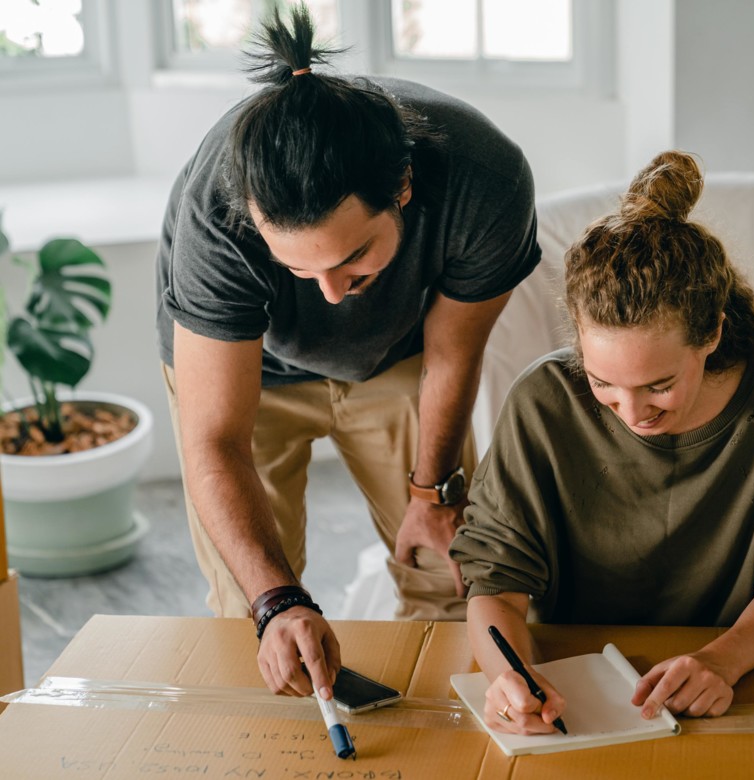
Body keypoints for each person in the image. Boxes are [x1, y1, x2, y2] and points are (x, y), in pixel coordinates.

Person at [155, 5, 540, 701]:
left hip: (398, 358)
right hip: (247, 375)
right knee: (255, 611)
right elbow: (216, 438)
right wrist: (277, 601)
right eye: (300, 270)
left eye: (354, 258)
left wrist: (431, 492)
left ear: (402, 188)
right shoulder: (214, 211)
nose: (331, 295)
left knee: (447, 574)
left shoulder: (487, 181)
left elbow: (453, 355)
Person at [449, 151, 754, 733]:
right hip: (571, 687)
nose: (633, 413)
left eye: (659, 386)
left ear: (712, 331)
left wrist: (723, 660)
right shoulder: (542, 401)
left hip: (725, 679)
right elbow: (496, 578)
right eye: (602, 383)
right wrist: (507, 675)